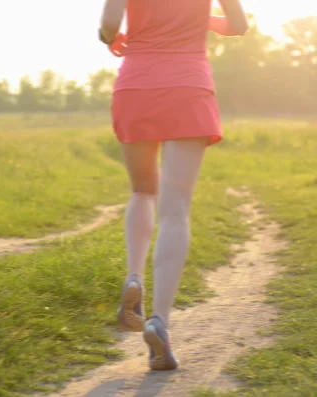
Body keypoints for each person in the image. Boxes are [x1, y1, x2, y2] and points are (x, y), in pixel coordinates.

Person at [99, 0, 249, 371]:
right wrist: (203, 21)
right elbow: (238, 25)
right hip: (188, 86)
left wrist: (113, 38)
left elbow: (108, 24)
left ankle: (134, 277)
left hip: (135, 86)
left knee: (141, 191)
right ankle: (159, 322)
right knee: (175, 209)